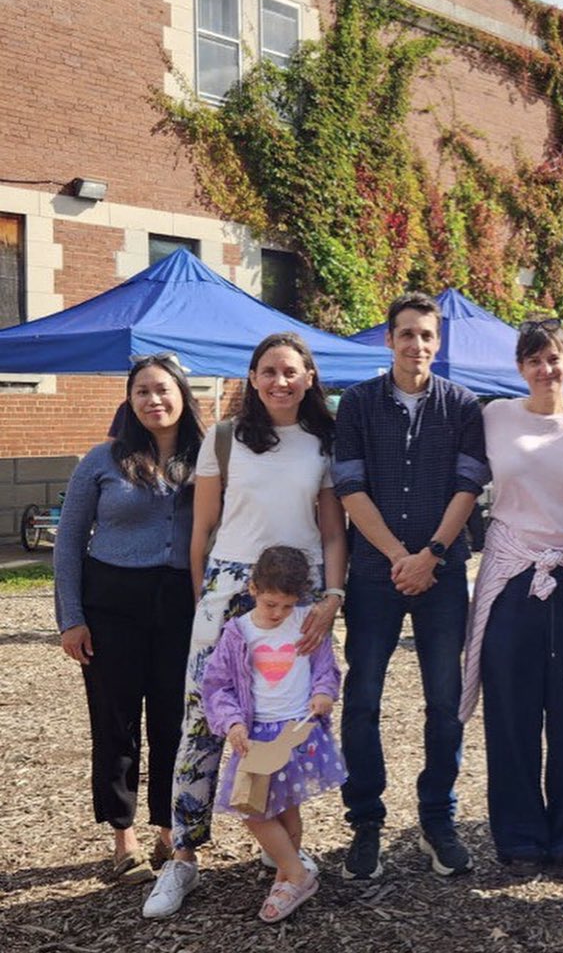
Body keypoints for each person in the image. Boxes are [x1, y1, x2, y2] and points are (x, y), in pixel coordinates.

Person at [144, 332, 347, 918]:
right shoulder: (226, 438)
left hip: (300, 591)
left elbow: (333, 531)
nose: (280, 382)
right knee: (202, 719)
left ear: (309, 376)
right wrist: (203, 604)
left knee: (283, 714)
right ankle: (182, 855)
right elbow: (201, 532)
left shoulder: (324, 441)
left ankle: (282, 849)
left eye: (291, 371)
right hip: (229, 587)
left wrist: (331, 597)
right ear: (253, 379)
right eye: (268, 371)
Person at [333, 292, 487, 881]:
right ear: (388, 339)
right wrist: (400, 556)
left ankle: (437, 817)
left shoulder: (463, 405)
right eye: (406, 334)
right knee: (364, 699)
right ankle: (366, 821)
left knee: (444, 701)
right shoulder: (358, 404)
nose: (416, 345)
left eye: (426, 335)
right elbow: (349, 487)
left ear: (437, 342)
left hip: (443, 573)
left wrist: (432, 555)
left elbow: (467, 486)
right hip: (374, 574)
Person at [460, 318, 563, 878]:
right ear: (520, 367)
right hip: (510, 575)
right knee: (511, 711)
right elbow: (457, 477)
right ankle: (520, 836)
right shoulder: (494, 416)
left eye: (554, 358)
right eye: (534, 360)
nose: (546, 369)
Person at [54, 354, 204, 884]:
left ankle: (168, 829)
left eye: (162, 389)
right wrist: (71, 618)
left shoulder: (207, 459)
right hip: (111, 604)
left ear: (182, 395)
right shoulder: (102, 459)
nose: (153, 400)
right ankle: (123, 836)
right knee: (115, 723)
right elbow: (69, 543)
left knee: (173, 720)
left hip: (179, 606)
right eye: (141, 391)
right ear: (130, 400)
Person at [202, 546, 346, 923]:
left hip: (298, 731)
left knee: (287, 810)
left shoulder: (307, 622)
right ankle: (299, 874)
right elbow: (217, 687)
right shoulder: (239, 632)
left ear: (298, 598)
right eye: (270, 604)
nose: (278, 613)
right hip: (257, 736)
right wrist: (232, 722)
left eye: (286, 605)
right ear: (252, 588)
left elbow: (326, 669)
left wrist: (323, 693)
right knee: (251, 808)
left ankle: (286, 882)